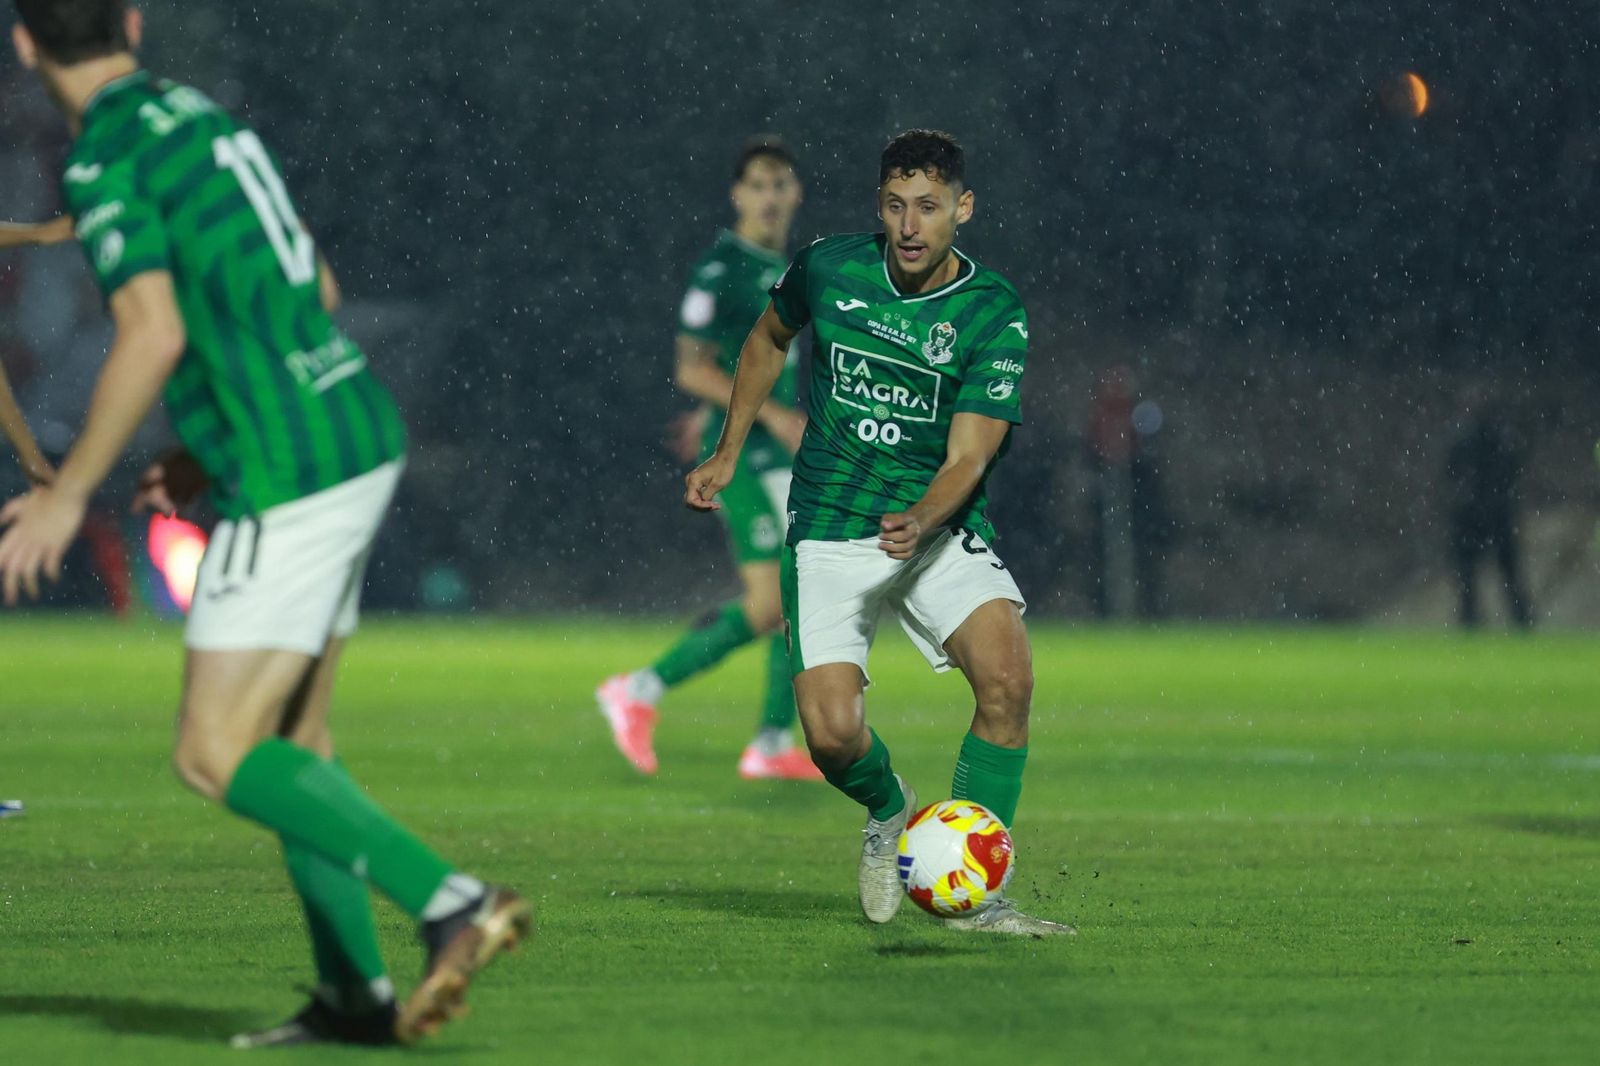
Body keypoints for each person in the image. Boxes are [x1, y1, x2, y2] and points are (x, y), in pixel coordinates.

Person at [0, 1, 527, 1047]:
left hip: (287, 468)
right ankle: (354, 997)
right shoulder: (199, 118)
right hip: (352, 425)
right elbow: (314, 284)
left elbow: (148, 333)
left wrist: (65, 491)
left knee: (211, 750)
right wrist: (202, 444)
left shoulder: (105, 156)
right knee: (296, 740)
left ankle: (453, 901)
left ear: (23, 44)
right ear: (134, 24)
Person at [685, 129, 1073, 937]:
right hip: (828, 527)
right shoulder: (831, 266)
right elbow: (764, 339)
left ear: (962, 209)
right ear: (879, 207)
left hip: (932, 526)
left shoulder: (991, 310)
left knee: (1008, 681)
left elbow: (971, 452)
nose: (909, 225)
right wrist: (727, 450)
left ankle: (977, 894)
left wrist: (927, 517)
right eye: (896, 206)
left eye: (928, 207)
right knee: (830, 738)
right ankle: (889, 809)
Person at [597, 137, 819, 780]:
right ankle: (648, 692)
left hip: (767, 447)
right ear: (737, 195)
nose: (770, 197)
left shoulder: (791, 267)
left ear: (796, 194)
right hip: (740, 449)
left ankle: (760, 736)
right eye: (758, 184)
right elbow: (690, 367)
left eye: (781, 184)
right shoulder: (721, 269)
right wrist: (768, 412)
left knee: (789, 590)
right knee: (781, 592)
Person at [1445, 390, 1533, 628]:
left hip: (1490, 512)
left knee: (1502, 570)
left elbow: (1511, 467)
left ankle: (1517, 617)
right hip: (1477, 513)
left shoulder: (1492, 437)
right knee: (1472, 573)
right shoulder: (1473, 437)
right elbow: (1452, 472)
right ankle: (1475, 618)